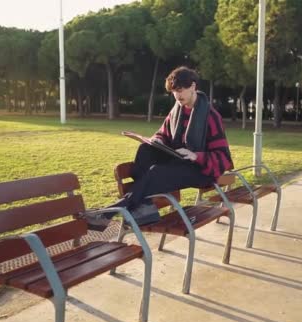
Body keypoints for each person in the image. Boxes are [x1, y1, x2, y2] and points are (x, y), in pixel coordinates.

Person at [84, 66, 234, 230]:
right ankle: (145, 207)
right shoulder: (177, 111)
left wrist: (196, 155)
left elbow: (223, 158)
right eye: (174, 91)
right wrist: (157, 141)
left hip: (201, 171)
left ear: (193, 86)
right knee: (145, 150)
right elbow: (162, 134)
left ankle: (107, 213)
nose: (177, 95)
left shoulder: (211, 116)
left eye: (181, 89)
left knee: (156, 171)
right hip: (179, 162)